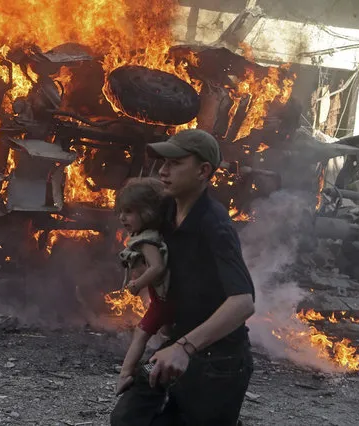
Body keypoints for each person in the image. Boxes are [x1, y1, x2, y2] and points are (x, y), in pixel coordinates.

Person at [110, 129, 256, 426]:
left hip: (218, 361)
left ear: (203, 171)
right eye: (162, 163)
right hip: (176, 344)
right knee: (127, 419)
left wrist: (185, 347)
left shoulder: (215, 225)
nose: (163, 171)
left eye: (175, 163)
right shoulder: (166, 208)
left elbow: (243, 302)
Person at [114, 177, 173, 396]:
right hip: (168, 297)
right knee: (169, 331)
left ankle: (125, 376)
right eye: (121, 211)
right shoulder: (158, 234)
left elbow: (157, 267)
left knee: (141, 333)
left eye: (129, 212)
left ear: (147, 213)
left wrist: (137, 284)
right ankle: (164, 362)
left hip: (164, 300)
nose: (122, 217)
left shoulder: (147, 240)